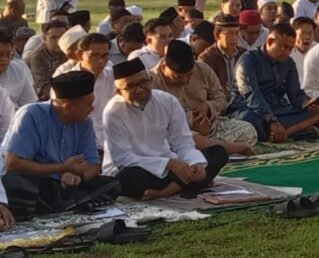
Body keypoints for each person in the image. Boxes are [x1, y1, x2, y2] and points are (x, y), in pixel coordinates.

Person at [103, 58, 228, 200]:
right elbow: (123, 159)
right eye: (131, 86)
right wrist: (169, 164)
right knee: (129, 178)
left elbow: (182, 142)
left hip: (170, 165)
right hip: (139, 169)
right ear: (118, 92)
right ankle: (186, 185)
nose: (140, 90)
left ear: (150, 80)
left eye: (143, 82)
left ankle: (169, 189)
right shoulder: (113, 112)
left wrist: (195, 164)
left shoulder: (167, 101)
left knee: (217, 153)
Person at [1, 71, 121, 218]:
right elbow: (13, 164)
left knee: (113, 183)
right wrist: (62, 168)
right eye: (88, 104)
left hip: (64, 185)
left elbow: (94, 166)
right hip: (36, 181)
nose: (92, 109)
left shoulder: (85, 122)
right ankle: (70, 204)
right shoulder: (30, 115)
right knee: (17, 183)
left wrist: (79, 176)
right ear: (67, 106)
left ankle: (62, 204)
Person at [150, 40, 257, 153]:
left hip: (211, 127)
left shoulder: (203, 69)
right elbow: (157, 120)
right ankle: (219, 148)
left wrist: (207, 107)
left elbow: (221, 98)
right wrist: (191, 120)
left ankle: (212, 148)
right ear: (163, 67)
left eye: (190, 74)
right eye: (178, 77)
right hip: (179, 132)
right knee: (172, 141)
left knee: (248, 131)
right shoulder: (152, 82)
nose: (186, 80)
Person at [228, 23, 319, 142]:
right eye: (283, 46)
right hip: (250, 109)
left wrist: (306, 103)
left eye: (290, 48)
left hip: (277, 109)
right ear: (270, 41)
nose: (287, 52)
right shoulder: (248, 60)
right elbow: (251, 95)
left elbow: (295, 94)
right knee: (248, 120)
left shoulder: (288, 63)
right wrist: (272, 120)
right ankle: (287, 131)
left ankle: (284, 133)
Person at [198, 15, 244, 95]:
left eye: (237, 33)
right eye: (230, 34)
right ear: (217, 35)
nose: (235, 38)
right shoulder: (207, 58)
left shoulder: (244, 55)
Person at [27, 21, 67, 99]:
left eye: (62, 37)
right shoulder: (38, 58)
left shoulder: (69, 52)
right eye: (53, 38)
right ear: (45, 39)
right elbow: (44, 86)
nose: (58, 41)